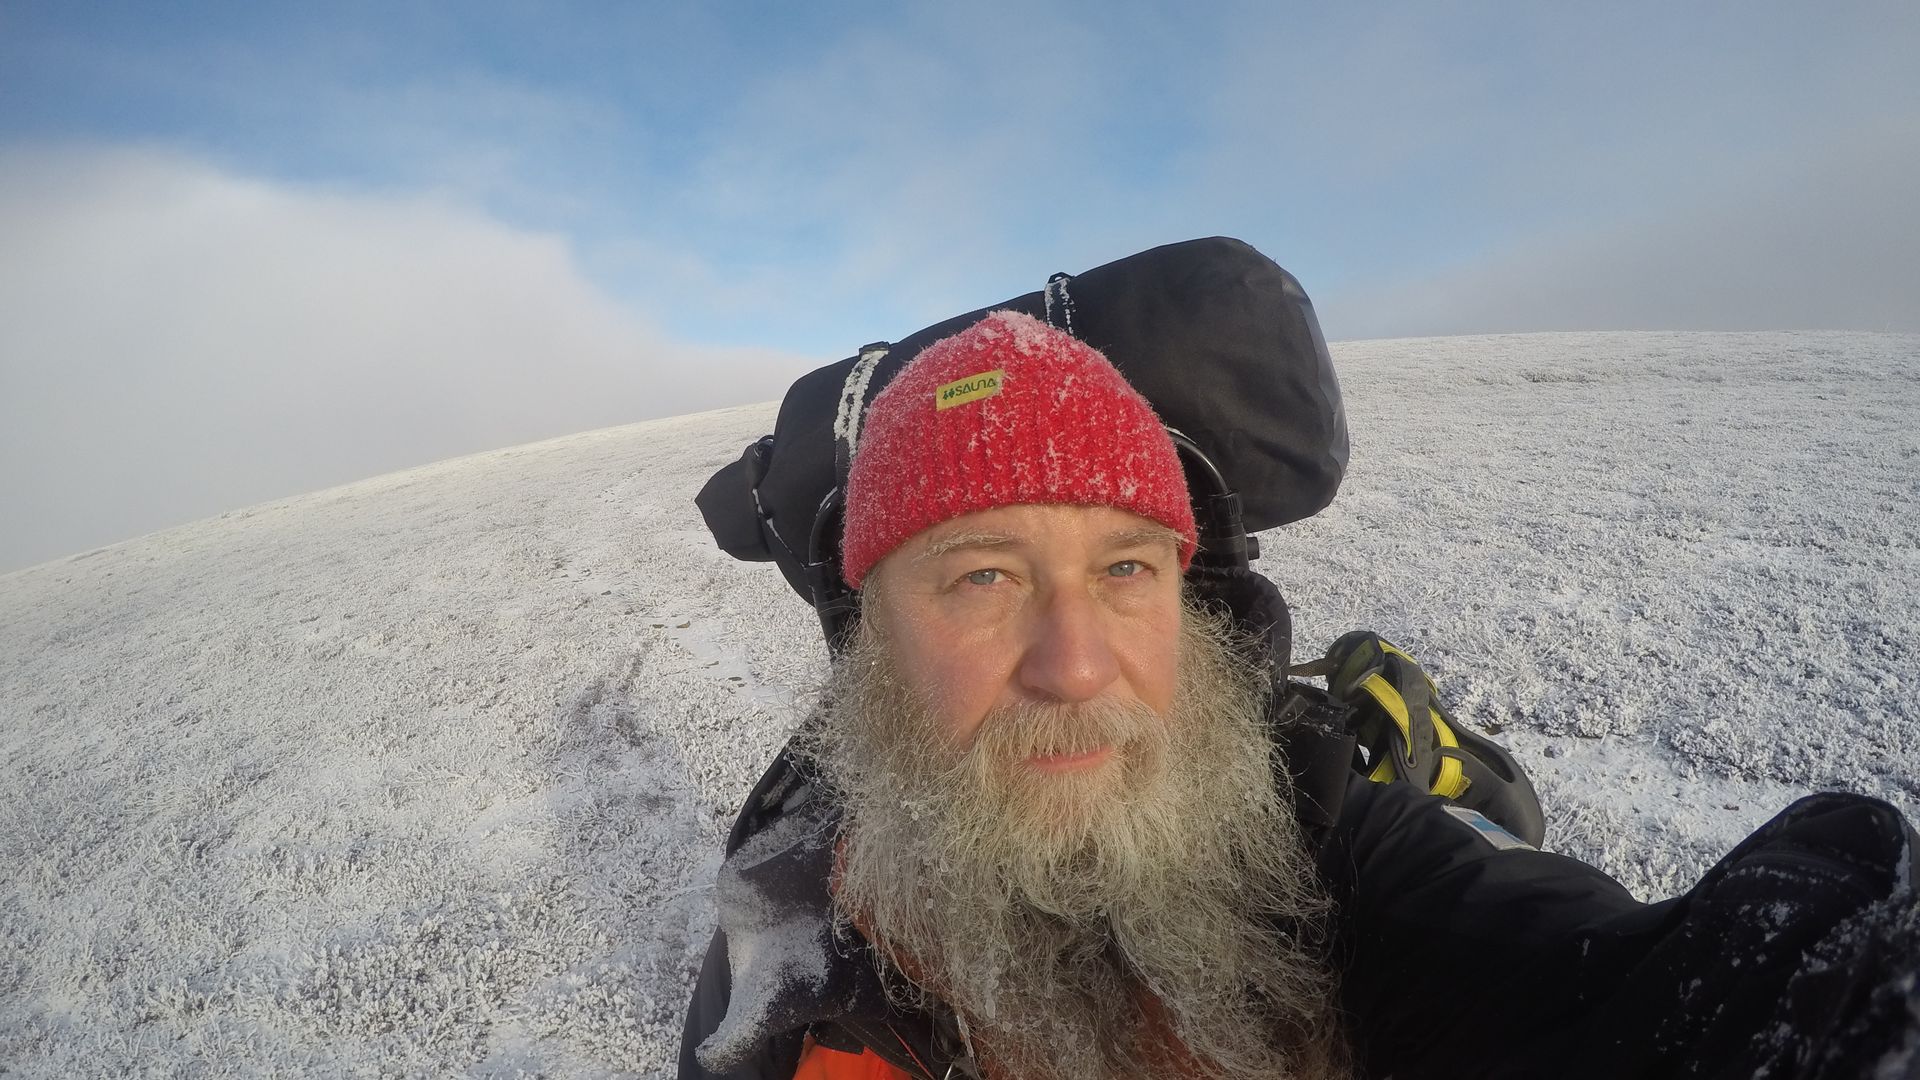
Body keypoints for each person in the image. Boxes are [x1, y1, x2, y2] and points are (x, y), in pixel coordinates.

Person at [680, 311, 1919, 1080]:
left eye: (1126, 569)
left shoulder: (1323, 846)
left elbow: (1658, 995)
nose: (1077, 665)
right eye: (982, 577)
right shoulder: (790, 957)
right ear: (872, 638)